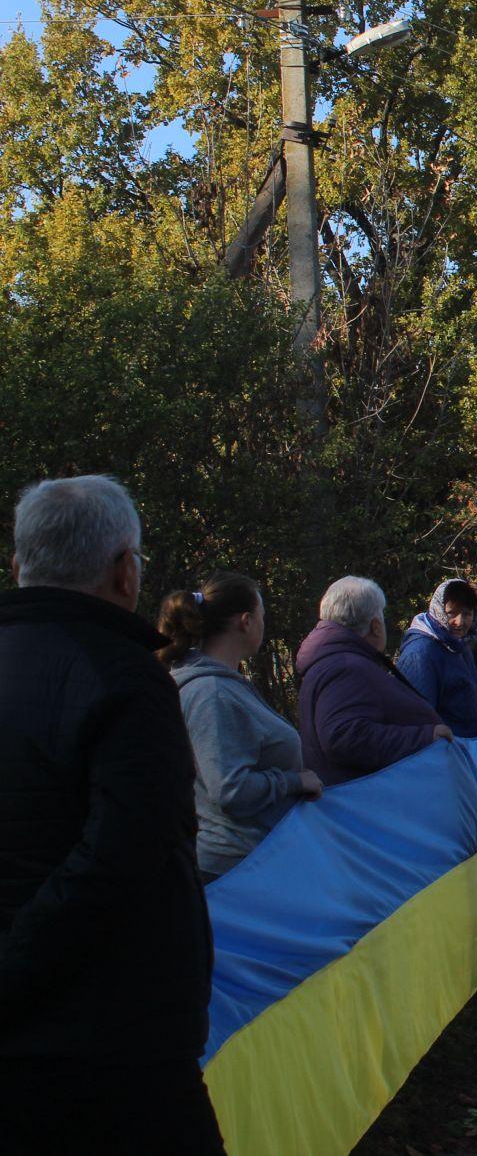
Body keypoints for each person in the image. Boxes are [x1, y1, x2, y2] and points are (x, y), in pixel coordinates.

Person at [0, 475, 224, 1153]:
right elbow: (124, 856)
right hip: (112, 1043)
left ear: (19, 564)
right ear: (125, 571)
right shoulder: (125, 677)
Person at [160, 574, 321, 881]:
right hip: (237, 869)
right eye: (262, 616)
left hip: (256, 858)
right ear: (246, 621)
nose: (263, 624)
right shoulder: (212, 694)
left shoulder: (224, 685)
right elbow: (230, 790)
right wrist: (295, 782)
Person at [298, 577, 453, 785]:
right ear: (376, 626)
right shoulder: (344, 667)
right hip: (363, 796)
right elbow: (342, 737)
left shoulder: (337, 660)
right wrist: (424, 737)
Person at [395, 578, 477, 739]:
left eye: (466, 614)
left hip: (467, 749)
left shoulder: (459, 645)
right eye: (452, 613)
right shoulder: (421, 654)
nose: (460, 622)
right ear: (439, 610)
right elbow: (415, 720)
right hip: (445, 751)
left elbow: (470, 692)